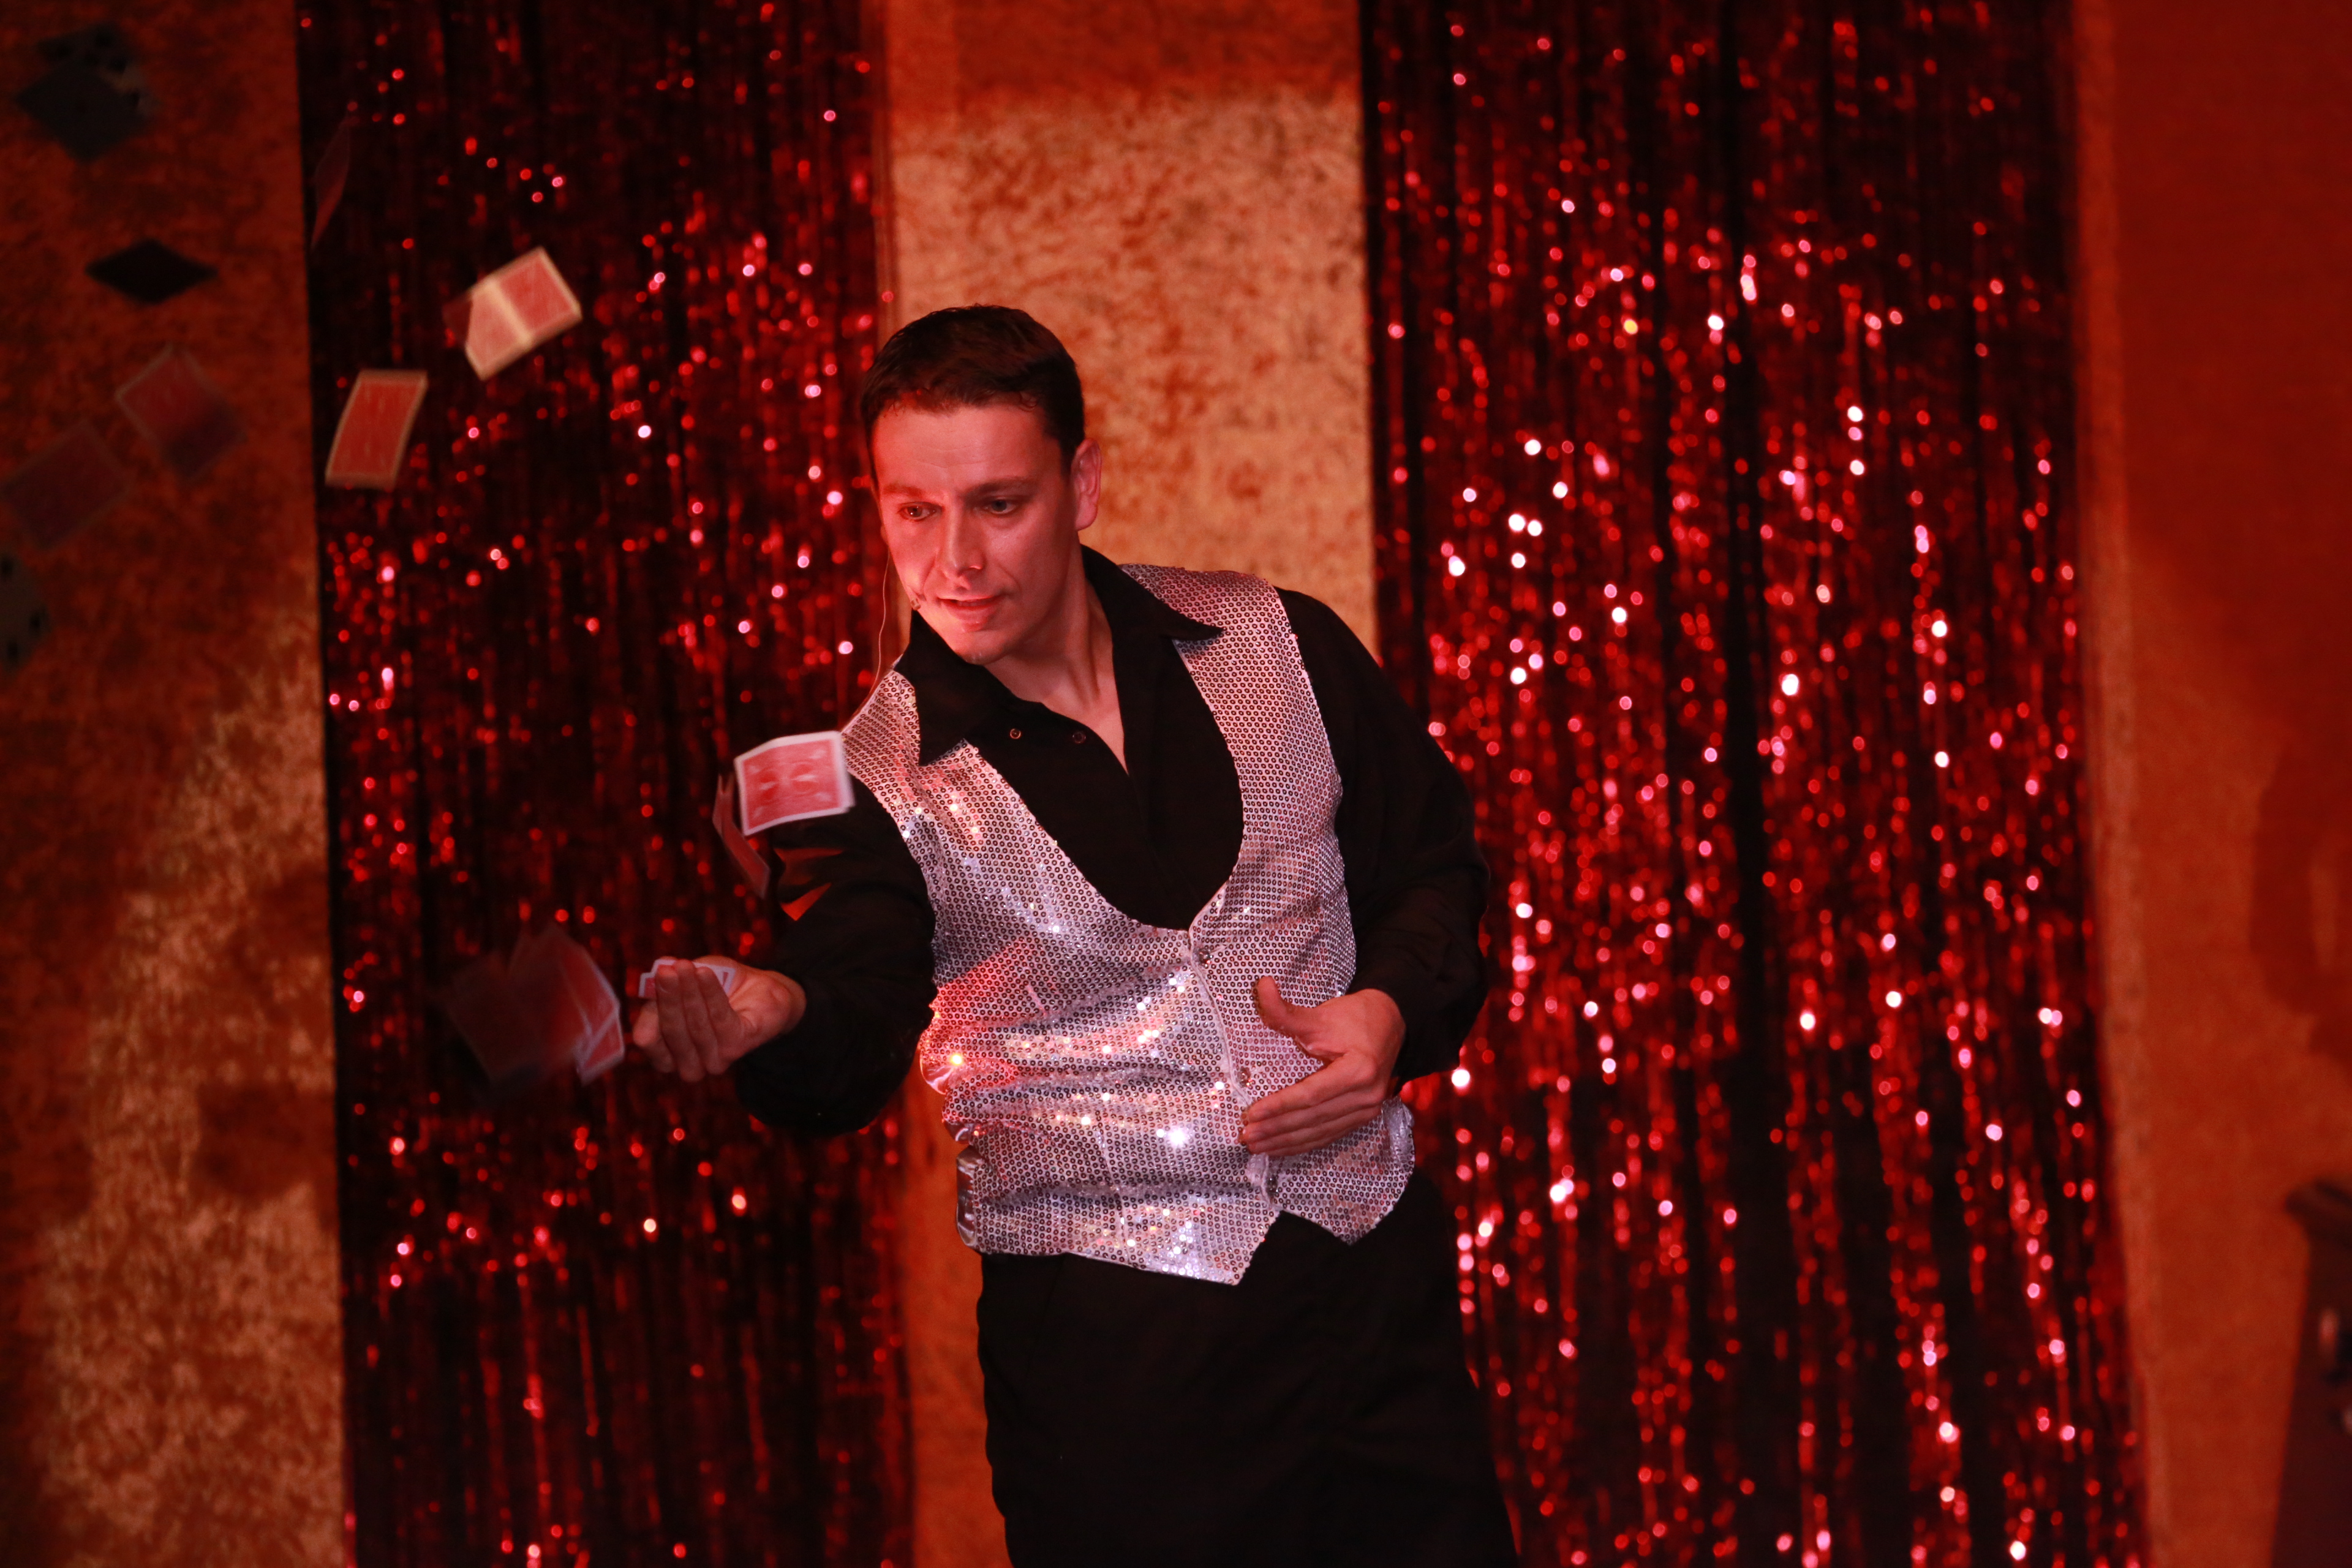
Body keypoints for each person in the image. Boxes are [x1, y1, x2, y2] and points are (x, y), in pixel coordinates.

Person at [631, 305, 1515, 1567]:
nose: (954, 560)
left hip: (1375, 1312)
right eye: (913, 511)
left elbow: (1432, 867)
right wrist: (776, 1005)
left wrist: (1388, 1012)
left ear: (1082, 484)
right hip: (1120, 1375)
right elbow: (854, 988)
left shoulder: (1280, 640)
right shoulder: (866, 782)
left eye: (999, 504)